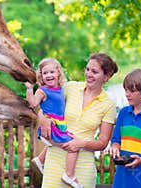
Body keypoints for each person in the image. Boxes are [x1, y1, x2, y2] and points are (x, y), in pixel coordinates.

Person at [38, 52, 118, 188]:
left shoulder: (108, 104)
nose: (88, 74)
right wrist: (42, 118)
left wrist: (81, 143)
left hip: (83, 165)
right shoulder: (70, 88)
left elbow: (103, 142)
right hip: (55, 159)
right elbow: (45, 104)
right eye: (87, 69)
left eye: (94, 71)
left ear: (106, 77)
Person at [25, 58, 83, 188]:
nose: (49, 75)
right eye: (45, 73)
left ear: (58, 73)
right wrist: (29, 89)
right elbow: (33, 104)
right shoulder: (42, 90)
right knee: (73, 146)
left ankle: (40, 160)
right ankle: (69, 175)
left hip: (59, 126)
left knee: (56, 144)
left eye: (52, 72)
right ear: (41, 76)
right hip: (51, 127)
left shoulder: (61, 88)